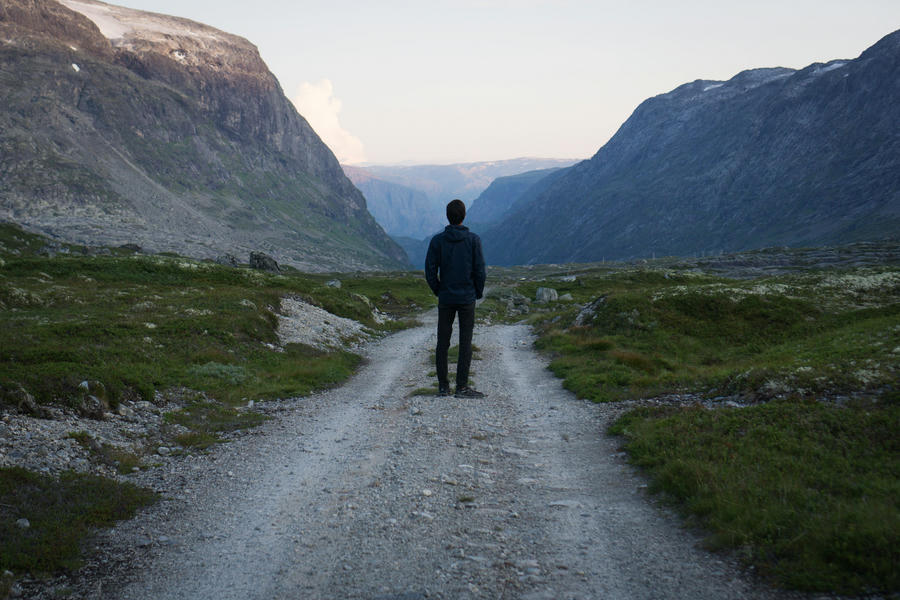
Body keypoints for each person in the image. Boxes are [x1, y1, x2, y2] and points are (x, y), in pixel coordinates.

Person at [425, 199, 487, 398]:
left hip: (446, 298)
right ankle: (461, 387)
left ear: (447, 216)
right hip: (467, 298)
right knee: (465, 342)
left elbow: (430, 270)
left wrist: (438, 290)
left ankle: (443, 386)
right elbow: (480, 270)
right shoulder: (473, 240)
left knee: (443, 342)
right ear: (464, 216)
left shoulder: (437, 241)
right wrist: (477, 292)